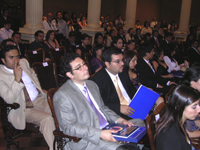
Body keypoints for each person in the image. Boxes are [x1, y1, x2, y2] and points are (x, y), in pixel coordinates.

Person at [53, 53, 139, 150]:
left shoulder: (92, 84)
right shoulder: (63, 95)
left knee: (139, 123)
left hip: (108, 127)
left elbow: (103, 108)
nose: (85, 68)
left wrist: (119, 120)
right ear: (69, 74)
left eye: (84, 64)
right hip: (88, 139)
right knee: (121, 148)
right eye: (79, 67)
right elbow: (69, 127)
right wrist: (100, 133)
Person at [0, 45, 55, 150]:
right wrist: (17, 79)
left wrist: (39, 88)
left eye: (17, 56)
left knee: (58, 113)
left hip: (40, 99)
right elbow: (9, 99)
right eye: (11, 57)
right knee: (47, 119)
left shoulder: (24, 62)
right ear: (3, 60)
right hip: (24, 108)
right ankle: (56, 148)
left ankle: (67, 142)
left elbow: (33, 74)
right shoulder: (1, 75)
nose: (16, 60)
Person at [91, 47, 145, 125]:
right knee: (142, 122)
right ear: (107, 64)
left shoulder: (123, 72)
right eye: (118, 61)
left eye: (122, 60)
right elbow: (99, 104)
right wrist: (119, 108)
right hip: (117, 114)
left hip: (133, 108)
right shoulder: (97, 81)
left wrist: (143, 99)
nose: (122, 63)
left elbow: (131, 89)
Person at [155, 85, 200, 150]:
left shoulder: (179, 121)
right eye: (194, 107)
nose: (199, 110)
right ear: (179, 107)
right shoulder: (170, 136)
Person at [182, 64, 200, 139]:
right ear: (193, 83)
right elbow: (186, 133)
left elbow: (196, 121)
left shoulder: (194, 96)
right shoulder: (185, 100)